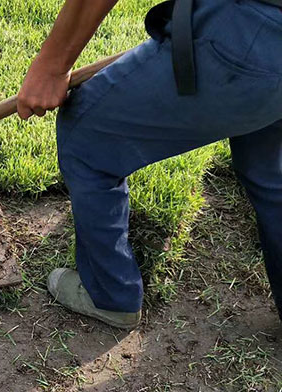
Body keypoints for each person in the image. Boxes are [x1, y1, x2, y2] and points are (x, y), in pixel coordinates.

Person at [17, 0, 282, 329]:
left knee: (86, 136)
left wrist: (51, 68)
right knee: (272, 171)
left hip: (249, 36)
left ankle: (109, 295)